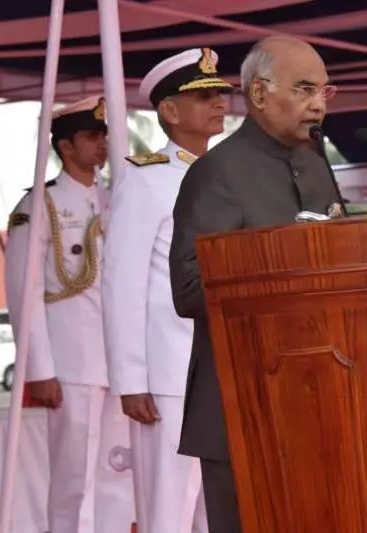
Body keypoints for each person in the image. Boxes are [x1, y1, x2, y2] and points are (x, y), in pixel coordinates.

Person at [169, 35, 341, 533]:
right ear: (260, 95)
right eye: (306, 89)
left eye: (325, 92)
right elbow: (188, 289)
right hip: (244, 409)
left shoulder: (314, 164)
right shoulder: (216, 174)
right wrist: (287, 263)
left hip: (320, 398)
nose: (317, 104)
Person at [102, 47, 232, 533]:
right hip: (169, 375)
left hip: (220, 367)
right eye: (203, 97)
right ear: (170, 113)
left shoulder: (225, 177)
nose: (218, 103)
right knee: (168, 510)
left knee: (216, 507)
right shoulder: (146, 179)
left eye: (219, 94)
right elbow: (123, 284)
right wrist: (131, 380)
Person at [4, 96, 134, 533]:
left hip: (118, 362)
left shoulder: (116, 200)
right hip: (71, 361)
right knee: (74, 479)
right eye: (91, 137)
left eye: (104, 136)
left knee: (118, 473)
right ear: (65, 146)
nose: (102, 145)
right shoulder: (39, 205)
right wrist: (38, 368)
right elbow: (24, 294)